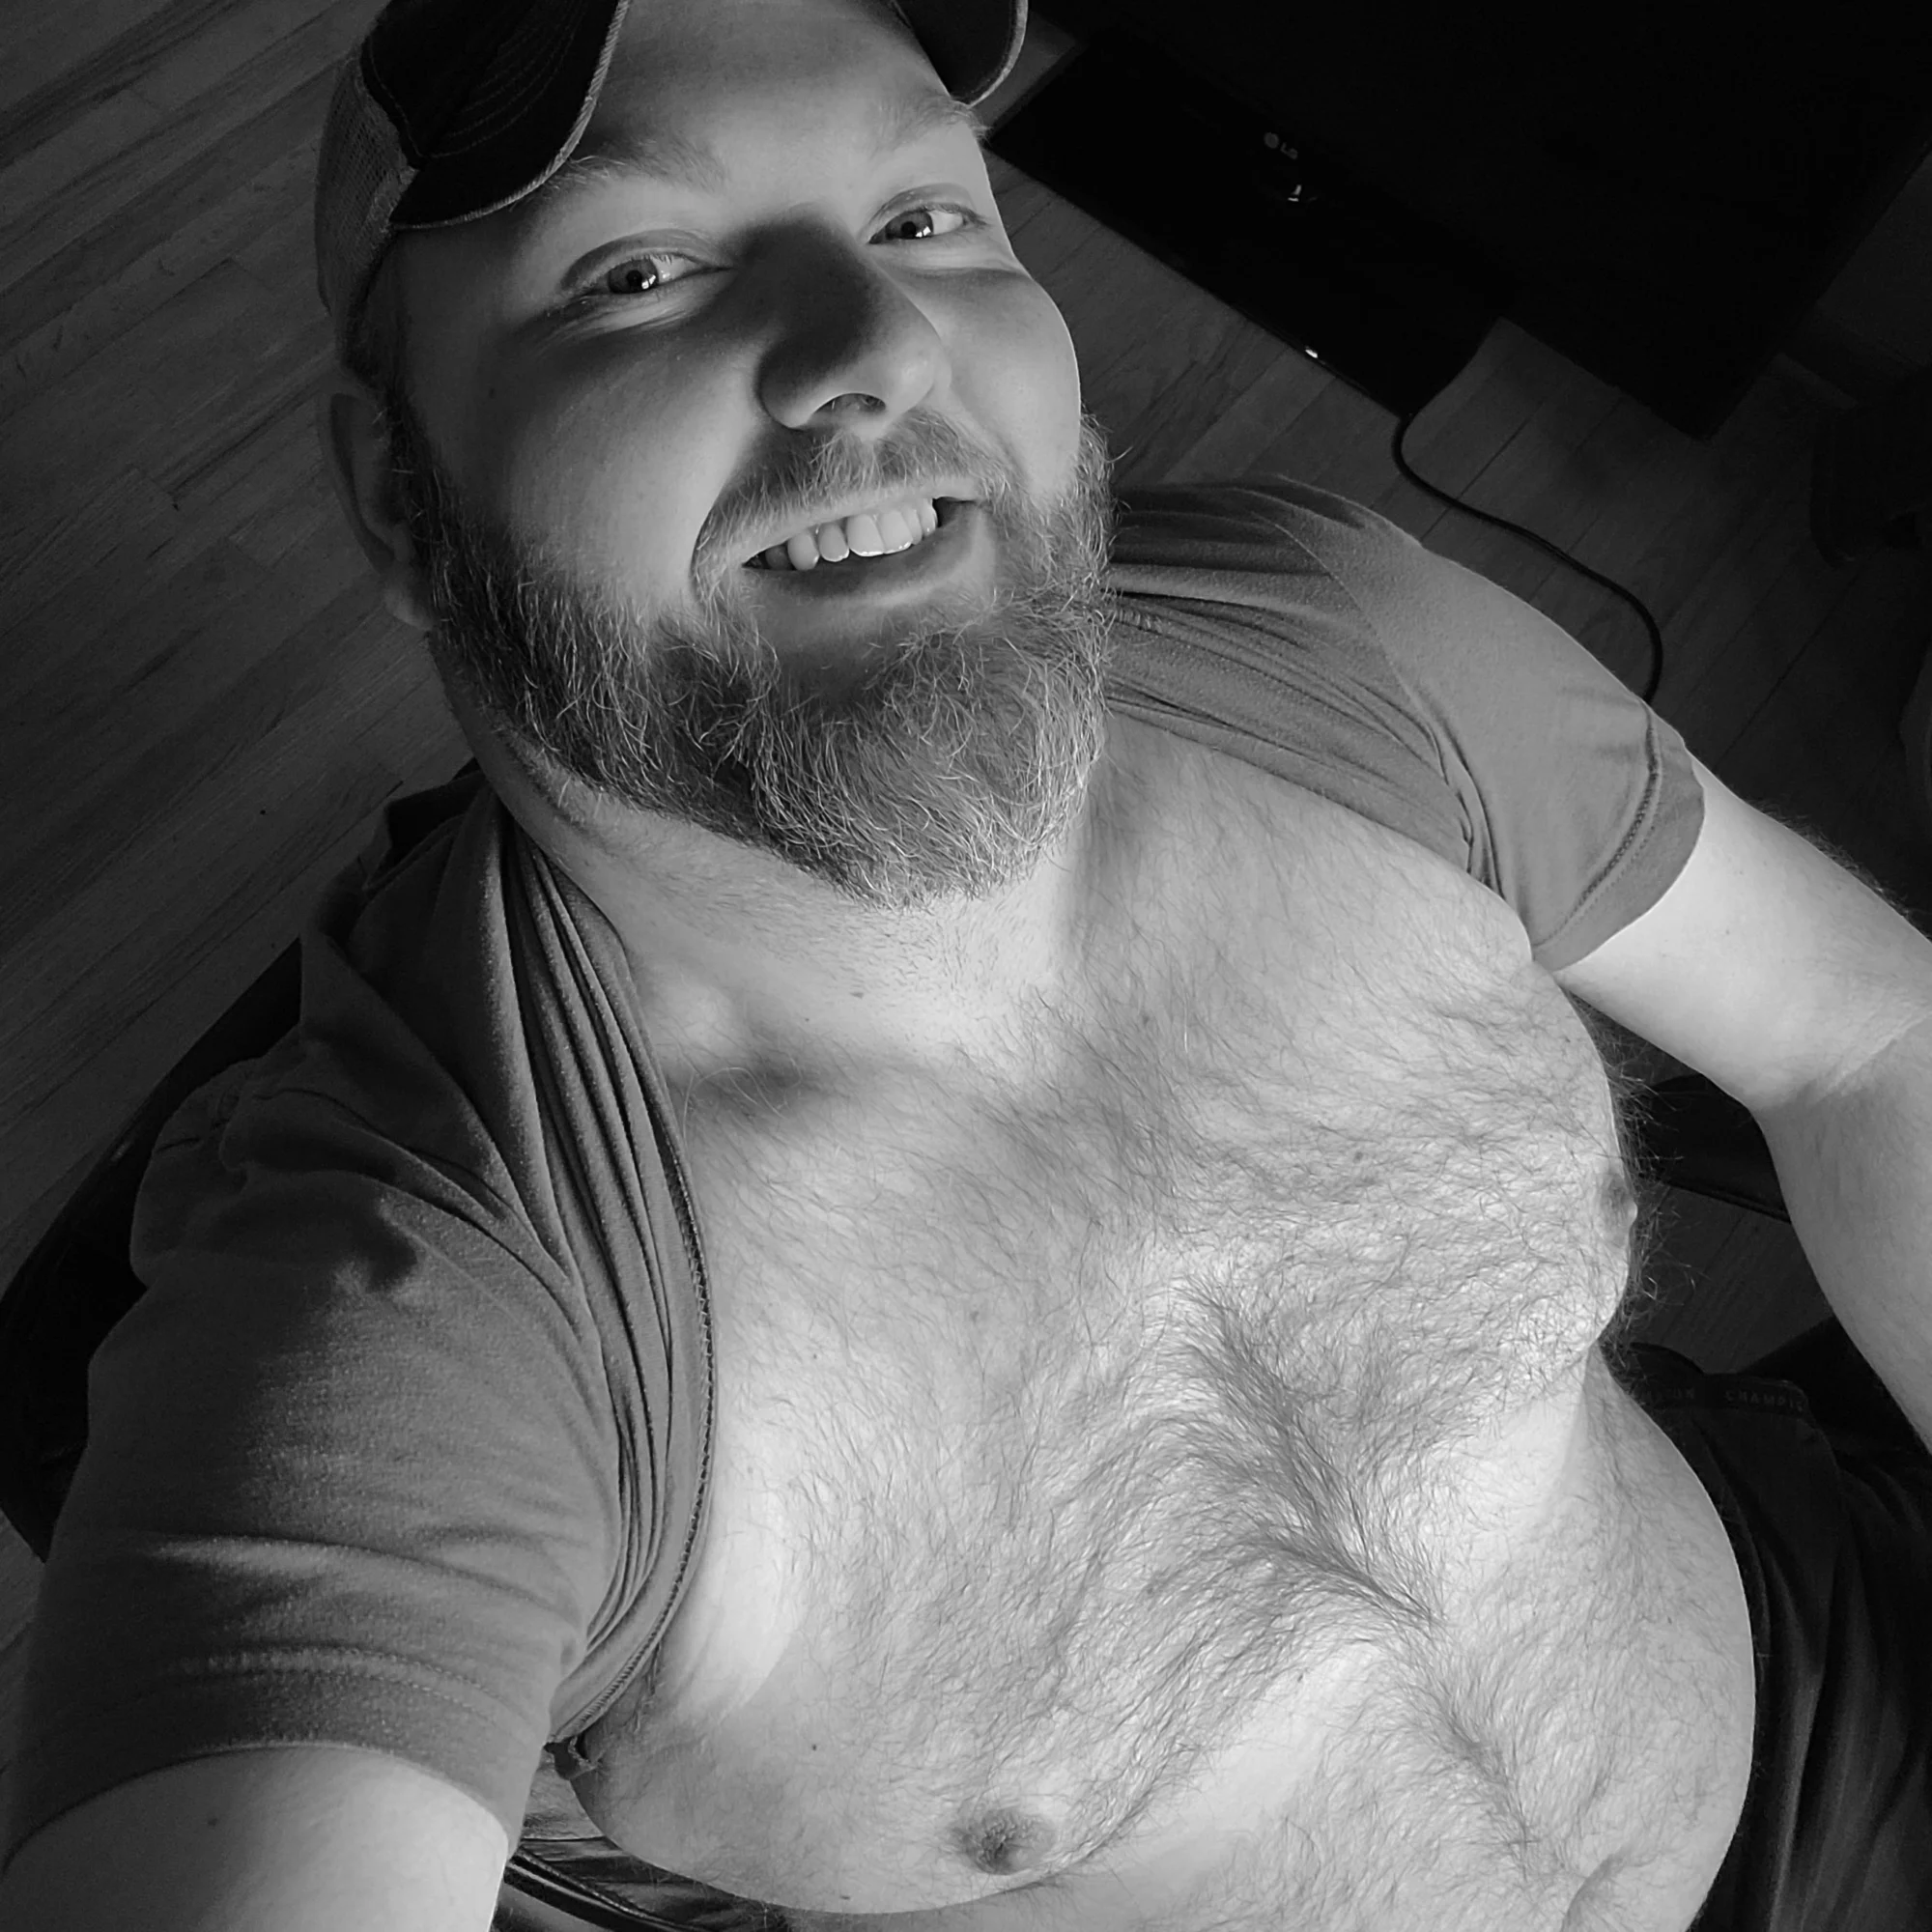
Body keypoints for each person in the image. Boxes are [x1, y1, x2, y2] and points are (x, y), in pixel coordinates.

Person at [4, 0, 1931, 1925]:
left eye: (924, 218)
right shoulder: (414, 1307)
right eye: (638, 272)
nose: (875, 344)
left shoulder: (1342, 643)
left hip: (1838, 1674)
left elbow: (1859, 1037)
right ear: (394, 493)